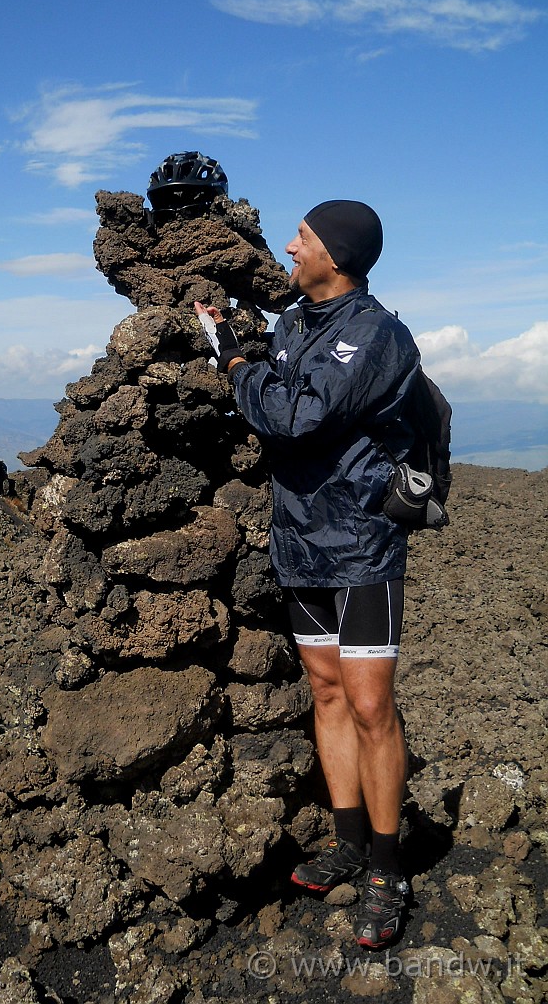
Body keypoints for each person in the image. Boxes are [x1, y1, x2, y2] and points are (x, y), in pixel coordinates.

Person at [195, 199, 421, 949]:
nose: (292, 245)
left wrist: (233, 366)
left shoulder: (375, 334)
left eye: (306, 236)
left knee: (368, 705)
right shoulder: (296, 321)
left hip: (359, 544)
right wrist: (237, 338)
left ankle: (388, 870)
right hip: (299, 540)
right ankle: (349, 844)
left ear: (340, 253)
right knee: (325, 692)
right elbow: (280, 379)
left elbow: (297, 416)